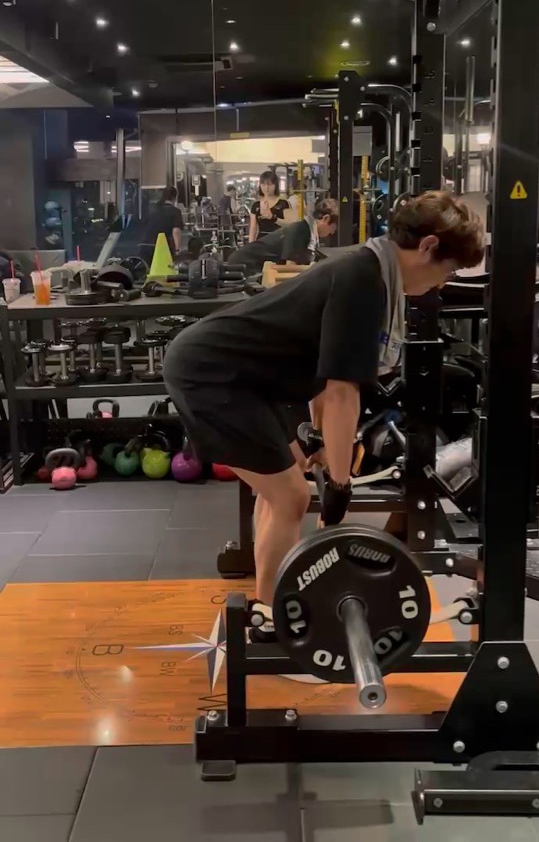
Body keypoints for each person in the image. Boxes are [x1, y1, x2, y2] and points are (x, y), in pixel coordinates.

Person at [163, 191, 484, 620]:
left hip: (247, 378)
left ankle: (268, 602)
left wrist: (318, 441)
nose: (443, 283)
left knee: (284, 486)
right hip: (213, 373)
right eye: (448, 269)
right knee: (290, 497)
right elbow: (341, 392)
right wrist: (339, 483)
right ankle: (270, 617)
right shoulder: (364, 279)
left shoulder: (372, 270)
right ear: (428, 247)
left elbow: (324, 367)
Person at [227, 197, 339, 275]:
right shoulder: (301, 230)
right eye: (333, 228)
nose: (332, 232)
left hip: (255, 267)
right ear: (326, 219)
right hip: (245, 264)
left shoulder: (310, 234)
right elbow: (290, 269)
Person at [140, 186, 184, 265]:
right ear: (175, 197)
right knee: (164, 270)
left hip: (146, 246)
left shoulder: (153, 210)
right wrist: (178, 250)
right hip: (162, 248)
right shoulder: (175, 211)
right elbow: (176, 231)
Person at [248, 171, 290, 241]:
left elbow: (289, 224)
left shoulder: (283, 203)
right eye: (263, 185)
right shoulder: (256, 205)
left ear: (275, 185)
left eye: (270, 185)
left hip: (279, 240)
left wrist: (272, 217)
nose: (267, 188)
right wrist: (250, 245)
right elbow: (253, 229)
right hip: (262, 241)